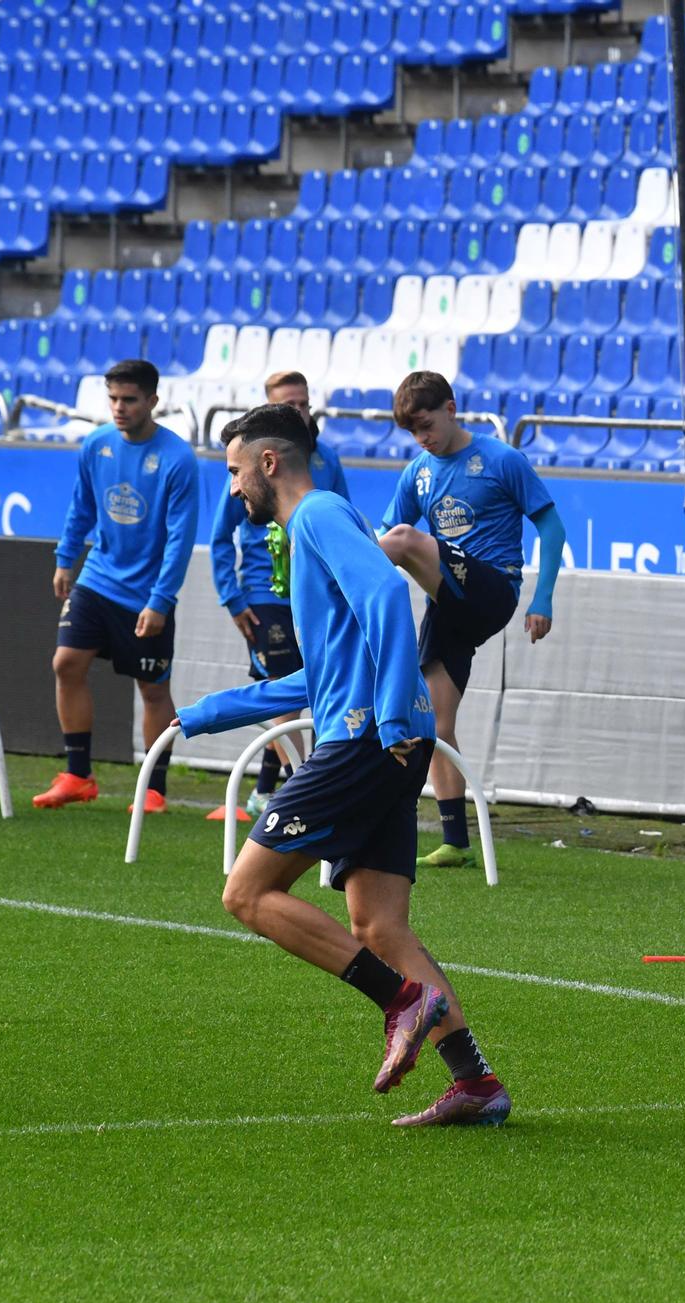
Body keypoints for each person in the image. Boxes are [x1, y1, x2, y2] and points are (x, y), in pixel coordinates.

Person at [175, 403, 509, 1127]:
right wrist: (208, 712)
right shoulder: (322, 524)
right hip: (383, 737)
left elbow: (388, 591)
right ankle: (476, 1083)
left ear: (269, 463)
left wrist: (389, 714)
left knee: (247, 894)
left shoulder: (319, 514)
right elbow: (320, 677)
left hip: (367, 739)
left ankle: (401, 1000)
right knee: (380, 924)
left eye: (234, 471)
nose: (231, 487)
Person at [378, 371, 566, 869]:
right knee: (432, 724)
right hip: (448, 605)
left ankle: (335, 590)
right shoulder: (417, 472)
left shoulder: (501, 459)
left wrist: (543, 598)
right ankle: (456, 842)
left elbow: (551, 526)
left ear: (451, 409)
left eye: (426, 425)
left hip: (492, 589)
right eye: (412, 432)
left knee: (404, 540)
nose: (422, 438)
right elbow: (386, 529)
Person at [36, 360, 199, 812]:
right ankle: (78, 774)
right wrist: (66, 559)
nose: (119, 408)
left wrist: (161, 600)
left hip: (147, 594)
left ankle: (153, 789)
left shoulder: (177, 459)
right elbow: (81, 507)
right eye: (113, 399)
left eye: (129, 399)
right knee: (66, 663)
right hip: (98, 578)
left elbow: (181, 538)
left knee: (152, 689)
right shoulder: (97, 444)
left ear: (153, 401)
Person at [206, 372, 354, 823]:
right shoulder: (249, 466)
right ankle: (301, 786)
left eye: (304, 403)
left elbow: (345, 526)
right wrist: (232, 598)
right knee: (288, 694)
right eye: (290, 404)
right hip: (263, 593)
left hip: (312, 595)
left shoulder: (324, 467)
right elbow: (220, 536)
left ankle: (270, 789)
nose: (300, 411)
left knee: (305, 689)